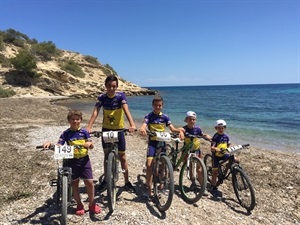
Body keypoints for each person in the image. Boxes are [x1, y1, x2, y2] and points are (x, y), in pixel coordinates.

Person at [43, 110, 101, 216]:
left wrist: (90, 144)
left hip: (84, 160)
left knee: (90, 183)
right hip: (72, 161)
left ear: (80, 120)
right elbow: (59, 145)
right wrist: (49, 143)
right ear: (69, 121)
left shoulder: (84, 132)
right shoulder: (66, 133)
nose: (75, 121)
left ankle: (92, 204)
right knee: (74, 184)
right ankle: (79, 204)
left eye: (77, 119)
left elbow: (91, 144)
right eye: (73, 119)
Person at [86, 74, 136, 193]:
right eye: (109, 86)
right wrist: (89, 127)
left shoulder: (121, 96)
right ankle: (106, 181)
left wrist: (132, 124)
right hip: (106, 130)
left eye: (114, 86)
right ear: (105, 86)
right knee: (106, 157)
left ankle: (127, 181)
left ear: (117, 86)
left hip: (119, 130)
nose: (111, 88)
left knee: (122, 157)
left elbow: (126, 110)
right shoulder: (102, 98)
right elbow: (95, 113)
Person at [139, 95, 184, 199]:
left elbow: (172, 129)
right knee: (149, 165)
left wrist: (180, 131)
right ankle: (148, 189)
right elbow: (144, 124)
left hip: (162, 143)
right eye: (156, 105)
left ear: (162, 106)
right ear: (152, 105)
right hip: (153, 143)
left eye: (159, 105)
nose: (157, 107)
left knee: (163, 164)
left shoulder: (165, 117)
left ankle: (162, 184)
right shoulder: (149, 116)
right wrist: (142, 128)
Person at [178, 111, 212, 194]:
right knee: (190, 167)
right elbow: (180, 129)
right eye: (190, 119)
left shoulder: (198, 129)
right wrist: (181, 133)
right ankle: (193, 182)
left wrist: (207, 136)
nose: (192, 121)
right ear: (186, 120)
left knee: (199, 169)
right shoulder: (185, 128)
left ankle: (202, 187)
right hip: (187, 151)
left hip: (196, 150)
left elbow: (202, 134)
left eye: (194, 119)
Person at [210, 119, 231, 196]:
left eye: (222, 128)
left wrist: (226, 150)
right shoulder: (215, 137)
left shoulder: (226, 136)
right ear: (216, 128)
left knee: (234, 159)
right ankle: (213, 186)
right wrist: (216, 149)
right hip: (216, 156)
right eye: (219, 128)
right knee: (214, 172)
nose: (221, 130)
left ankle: (227, 169)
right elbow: (212, 147)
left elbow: (228, 144)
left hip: (223, 154)